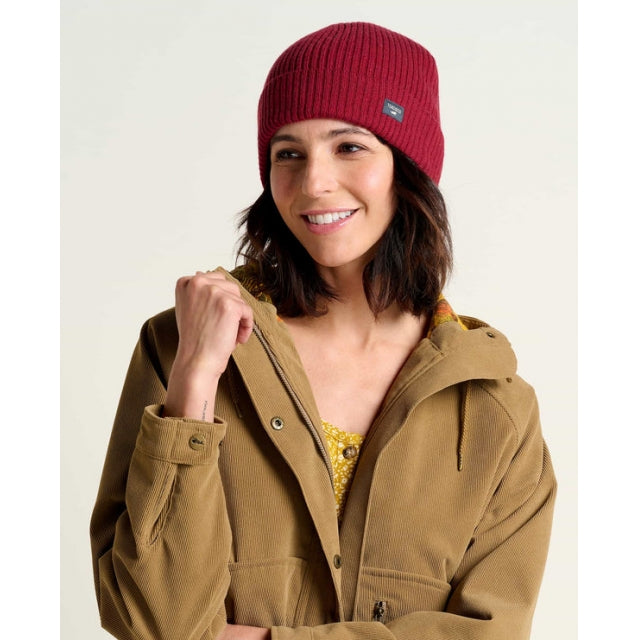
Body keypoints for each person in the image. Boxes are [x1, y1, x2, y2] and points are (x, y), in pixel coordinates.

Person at [90, 21, 556, 640]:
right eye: (288, 154)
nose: (314, 183)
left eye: (350, 147)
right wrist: (195, 382)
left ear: (408, 167)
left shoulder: (495, 406)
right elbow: (151, 621)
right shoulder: (180, 346)